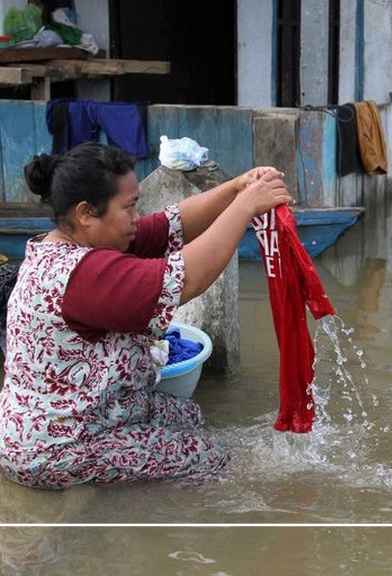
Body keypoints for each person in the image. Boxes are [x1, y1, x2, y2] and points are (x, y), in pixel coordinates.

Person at [0, 142, 293, 490]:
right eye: (130, 207)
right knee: (208, 457)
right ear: (85, 213)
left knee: (189, 416)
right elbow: (189, 276)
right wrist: (245, 207)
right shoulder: (80, 274)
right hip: (57, 445)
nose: (137, 217)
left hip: (84, 413)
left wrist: (235, 188)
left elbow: (171, 226)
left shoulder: (75, 244)